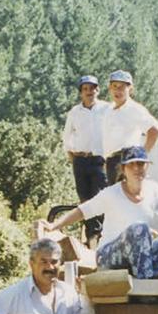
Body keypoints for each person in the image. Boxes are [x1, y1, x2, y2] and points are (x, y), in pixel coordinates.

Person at [38, 146, 158, 279]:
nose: (137, 168)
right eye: (132, 164)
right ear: (123, 169)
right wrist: (54, 225)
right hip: (108, 257)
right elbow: (83, 211)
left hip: (139, 258)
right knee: (139, 229)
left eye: (141, 164)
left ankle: (150, 275)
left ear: (147, 166)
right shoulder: (112, 193)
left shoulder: (153, 190)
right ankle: (147, 286)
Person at [61, 75, 110, 243]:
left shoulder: (106, 109)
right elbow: (67, 136)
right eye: (85, 89)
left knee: (98, 198)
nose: (89, 92)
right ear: (81, 92)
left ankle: (97, 236)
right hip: (80, 160)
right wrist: (72, 156)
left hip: (99, 160)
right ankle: (90, 237)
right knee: (84, 199)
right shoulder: (75, 112)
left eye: (92, 88)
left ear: (98, 90)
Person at [100, 70, 158, 184]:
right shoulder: (109, 110)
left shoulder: (134, 109)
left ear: (130, 89)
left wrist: (142, 156)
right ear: (110, 88)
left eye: (122, 87)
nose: (117, 90)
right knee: (115, 199)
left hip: (127, 160)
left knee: (126, 198)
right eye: (114, 86)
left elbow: (155, 130)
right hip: (111, 161)